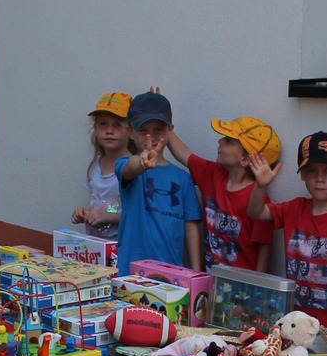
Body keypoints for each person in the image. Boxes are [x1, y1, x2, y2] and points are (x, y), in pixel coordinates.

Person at [246, 133, 327, 330]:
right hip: (294, 324)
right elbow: (255, 212)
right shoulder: (294, 208)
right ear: (302, 174)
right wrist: (261, 186)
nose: (319, 179)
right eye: (312, 171)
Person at [167, 113, 276, 271]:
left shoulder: (258, 199)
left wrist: (257, 292)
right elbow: (184, 155)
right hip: (209, 285)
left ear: (245, 160)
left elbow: (264, 250)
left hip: (241, 291)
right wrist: (165, 125)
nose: (219, 141)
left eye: (228, 141)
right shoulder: (213, 174)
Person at [115, 90, 202, 274]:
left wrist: (196, 272)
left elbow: (191, 226)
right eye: (143, 130)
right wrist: (142, 163)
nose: (151, 136)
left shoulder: (184, 179)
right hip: (130, 275)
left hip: (172, 278)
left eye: (159, 130)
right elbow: (129, 169)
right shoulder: (126, 165)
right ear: (130, 131)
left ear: (170, 130)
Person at [71, 92, 131, 231]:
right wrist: (83, 213)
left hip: (122, 249)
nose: (109, 130)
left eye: (117, 124)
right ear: (95, 128)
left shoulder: (133, 168)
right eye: (103, 123)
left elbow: (140, 217)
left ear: (130, 130)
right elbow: (98, 205)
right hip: (95, 249)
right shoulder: (95, 167)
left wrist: (109, 217)